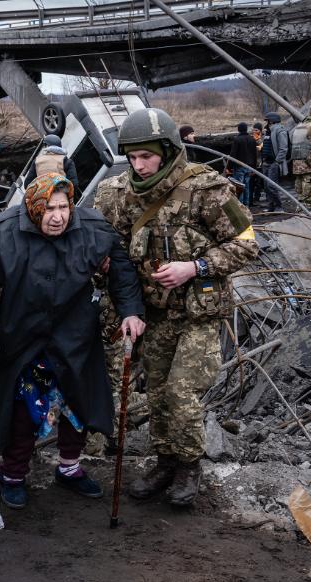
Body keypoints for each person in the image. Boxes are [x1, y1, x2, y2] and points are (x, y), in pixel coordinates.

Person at [95, 108, 259, 507]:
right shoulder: (116, 194)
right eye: (132, 157)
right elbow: (107, 250)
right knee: (157, 396)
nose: (139, 165)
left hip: (198, 314)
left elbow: (247, 243)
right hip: (153, 314)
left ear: (168, 152)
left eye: (146, 156)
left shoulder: (207, 189)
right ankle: (165, 460)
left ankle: (189, 466)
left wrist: (195, 266)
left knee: (182, 393)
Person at [0, 172, 145, 509]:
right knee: (24, 407)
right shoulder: (4, 232)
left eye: (63, 207)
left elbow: (121, 270)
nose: (58, 216)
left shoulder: (90, 228)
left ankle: (70, 468)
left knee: (76, 401)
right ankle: (13, 474)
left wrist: (131, 312)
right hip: (20, 332)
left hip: (75, 333)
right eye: (48, 209)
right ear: (33, 208)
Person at [261, 112, 289, 212]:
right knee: (266, 186)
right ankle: (270, 207)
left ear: (271, 121)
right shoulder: (268, 132)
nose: (266, 122)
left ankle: (279, 206)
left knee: (272, 185)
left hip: (274, 163)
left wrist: (277, 162)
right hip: (266, 163)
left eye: (267, 120)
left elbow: (283, 148)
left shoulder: (280, 131)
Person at [228, 122, 257, 207]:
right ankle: (246, 205)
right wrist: (254, 168)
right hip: (249, 167)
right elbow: (255, 154)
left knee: (238, 187)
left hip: (239, 166)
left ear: (238, 129)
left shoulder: (237, 140)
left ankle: (240, 206)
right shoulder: (252, 139)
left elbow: (233, 154)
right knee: (246, 186)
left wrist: (229, 167)